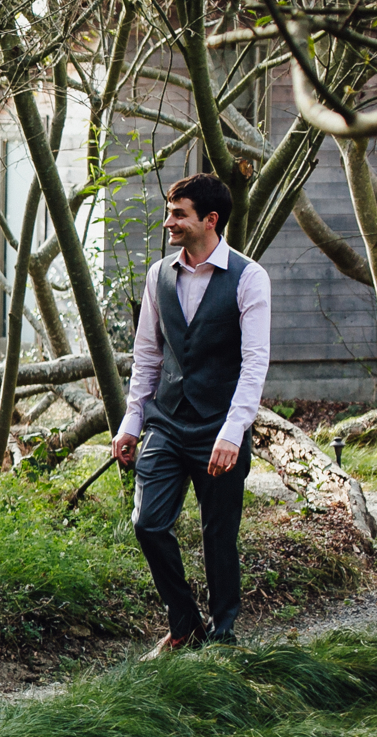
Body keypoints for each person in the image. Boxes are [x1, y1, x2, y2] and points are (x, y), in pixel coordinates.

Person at [110, 173, 271, 653]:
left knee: (219, 537)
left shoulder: (248, 277)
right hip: (168, 423)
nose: (168, 223)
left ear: (210, 219)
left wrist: (233, 432)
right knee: (148, 524)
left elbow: (255, 361)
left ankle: (222, 636)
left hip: (220, 428)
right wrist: (130, 423)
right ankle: (185, 626)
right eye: (169, 212)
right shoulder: (159, 275)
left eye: (178, 214)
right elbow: (147, 357)